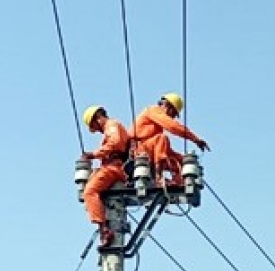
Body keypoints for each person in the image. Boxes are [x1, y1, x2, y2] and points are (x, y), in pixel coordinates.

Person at [131, 92, 210, 187]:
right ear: (167, 106)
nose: (173, 117)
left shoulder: (156, 128)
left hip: (149, 149)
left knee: (183, 161)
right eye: (174, 113)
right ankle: (158, 177)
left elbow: (163, 151)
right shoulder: (153, 110)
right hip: (139, 149)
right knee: (162, 138)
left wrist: (185, 162)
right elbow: (172, 126)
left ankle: (178, 183)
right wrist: (195, 139)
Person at [80, 105, 132, 246]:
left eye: (94, 126)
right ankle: (103, 223)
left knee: (89, 192)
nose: (97, 130)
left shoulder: (112, 125)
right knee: (92, 190)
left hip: (114, 167)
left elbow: (115, 143)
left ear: (98, 118)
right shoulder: (112, 126)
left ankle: (104, 230)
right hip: (113, 166)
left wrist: (94, 154)